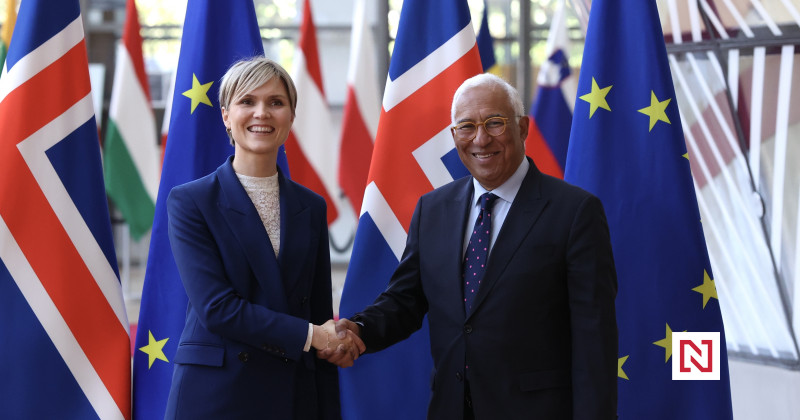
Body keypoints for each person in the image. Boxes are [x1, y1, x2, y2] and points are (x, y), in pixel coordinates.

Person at [322, 73, 618, 419]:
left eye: (495, 123)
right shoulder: (433, 209)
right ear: (453, 136)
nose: (480, 138)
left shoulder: (574, 211)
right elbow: (405, 300)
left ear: (522, 128)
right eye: (466, 127)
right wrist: (359, 330)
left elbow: (594, 337)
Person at [164, 56, 362, 420]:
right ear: (226, 116)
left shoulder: (311, 206)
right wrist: (314, 336)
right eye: (247, 101)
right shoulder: (191, 201)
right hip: (217, 396)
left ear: (291, 116)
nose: (262, 113)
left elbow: (317, 310)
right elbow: (217, 309)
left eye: (276, 102)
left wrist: (329, 350)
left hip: (294, 394)